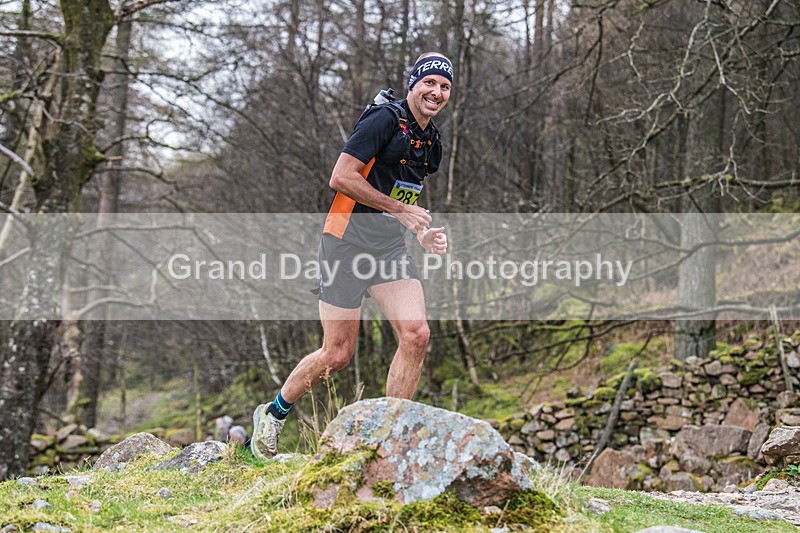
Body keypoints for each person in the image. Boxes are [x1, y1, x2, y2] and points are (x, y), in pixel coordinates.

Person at [250, 53, 454, 460]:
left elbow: (402, 195)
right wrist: (399, 211)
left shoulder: (432, 144)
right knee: (337, 354)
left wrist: (420, 232)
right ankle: (272, 414)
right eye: (429, 83)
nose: (436, 92)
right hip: (344, 242)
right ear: (414, 85)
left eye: (445, 86)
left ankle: (388, 439)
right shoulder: (383, 120)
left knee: (417, 334)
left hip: (388, 247)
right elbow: (341, 177)